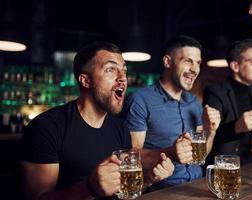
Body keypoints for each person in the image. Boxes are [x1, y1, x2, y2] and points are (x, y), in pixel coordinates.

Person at [20, 41, 175, 200]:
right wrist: (89, 188)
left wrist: (149, 178)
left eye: (124, 71)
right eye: (110, 69)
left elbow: (123, 192)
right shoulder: (46, 127)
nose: (122, 78)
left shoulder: (120, 127)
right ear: (85, 80)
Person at [122, 35, 221, 189]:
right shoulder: (140, 100)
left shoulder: (194, 103)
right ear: (168, 62)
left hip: (198, 186)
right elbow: (131, 156)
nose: (195, 69)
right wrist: (170, 153)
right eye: (188, 61)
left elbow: (200, 156)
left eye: (198, 63)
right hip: (162, 192)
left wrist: (211, 131)